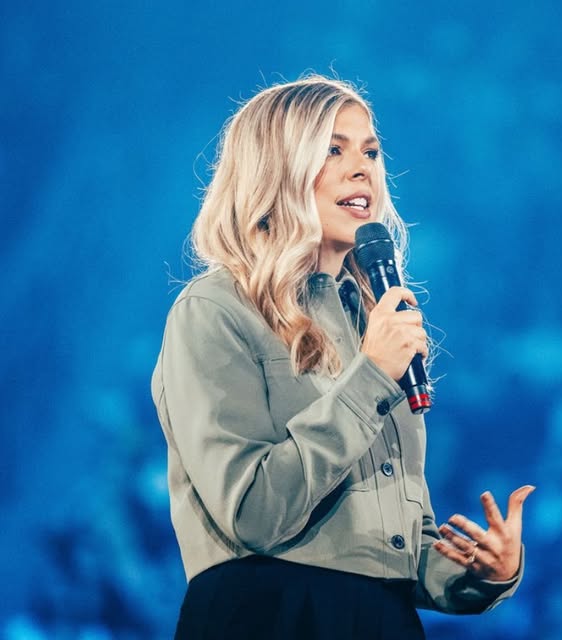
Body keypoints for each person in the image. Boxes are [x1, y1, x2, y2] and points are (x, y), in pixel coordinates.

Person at [151, 74, 534, 639]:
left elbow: (393, 545)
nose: (363, 170)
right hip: (268, 612)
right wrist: (371, 375)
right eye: (333, 150)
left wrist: (481, 574)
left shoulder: (372, 325)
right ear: (275, 169)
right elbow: (253, 512)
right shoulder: (215, 309)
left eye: (371, 152)